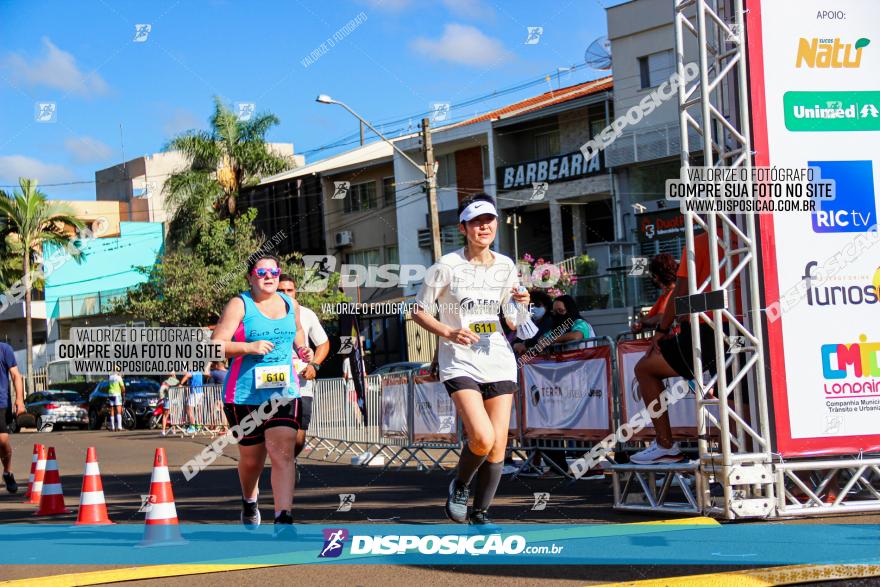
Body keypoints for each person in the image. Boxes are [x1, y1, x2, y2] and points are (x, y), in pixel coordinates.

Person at [412, 193, 530, 526]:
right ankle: (461, 485)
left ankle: (481, 513)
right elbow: (418, 311)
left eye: (489, 220)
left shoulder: (506, 265)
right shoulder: (446, 266)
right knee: (482, 436)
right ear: (463, 227)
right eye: (476, 222)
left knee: (498, 444)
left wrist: (523, 301)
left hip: (497, 357)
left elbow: (512, 321)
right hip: (459, 359)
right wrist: (448, 334)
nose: (484, 227)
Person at [211, 254, 312, 532]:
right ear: (250, 277)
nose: (269, 277)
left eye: (274, 272)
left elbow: (298, 333)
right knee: (252, 459)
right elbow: (215, 346)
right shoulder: (239, 304)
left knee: (282, 454)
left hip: (284, 391)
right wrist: (249, 347)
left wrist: (304, 349)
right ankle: (250, 501)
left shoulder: (291, 303)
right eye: (262, 272)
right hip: (244, 394)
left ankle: (283, 518)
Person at [631, 230, 734, 464]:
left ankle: (665, 444)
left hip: (706, 327)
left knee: (645, 369)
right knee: (738, 394)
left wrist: (662, 330)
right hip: (744, 326)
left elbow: (681, 291)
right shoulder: (749, 233)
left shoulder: (700, 241)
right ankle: (745, 456)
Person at [277, 274, 330, 477]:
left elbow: (323, 343)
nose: (285, 294)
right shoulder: (264, 313)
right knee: (275, 432)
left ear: (295, 291)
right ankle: (282, 465)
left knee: (299, 435)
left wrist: (314, 364)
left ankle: (288, 461)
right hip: (270, 384)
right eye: (280, 290)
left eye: (289, 290)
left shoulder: (306, 314)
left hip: (301, 384)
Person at [632, 253, 678, 334]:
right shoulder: (665, 295)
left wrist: (642, 323)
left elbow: (661, 317)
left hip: (675, 340)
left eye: (653, 275)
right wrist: (639, 322)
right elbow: (650, 317)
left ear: (656, 276)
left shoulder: (673, 293)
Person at [0, 342, 24, 493]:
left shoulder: (4, 349)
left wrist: (20, 400)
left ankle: (7, 472)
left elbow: (16, 375)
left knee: (2, 441)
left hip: (1, 403)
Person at [513, 289, 554, 355]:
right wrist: (515, 344)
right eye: (530, 305)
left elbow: (536, 339)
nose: (533, 308)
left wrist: (524, 346)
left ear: (546, 306)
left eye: (537, 305)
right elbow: (518, 339)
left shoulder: (549, 321)